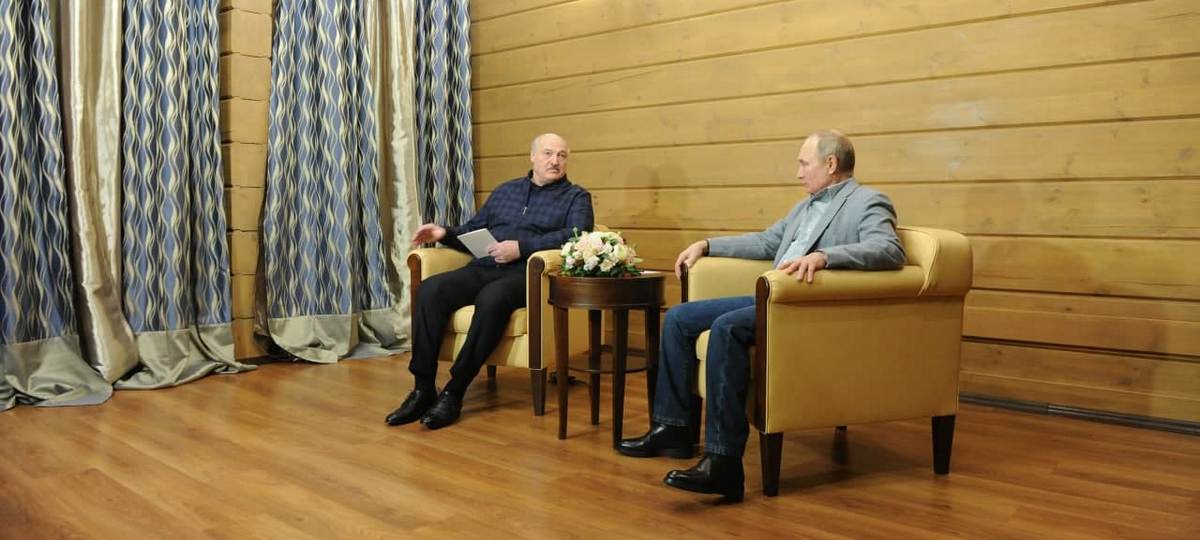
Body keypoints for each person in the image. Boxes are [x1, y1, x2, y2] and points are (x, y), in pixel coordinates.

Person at [616, 130, 905, 501]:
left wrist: (825, 257)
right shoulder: (805, 206)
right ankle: (673, 429)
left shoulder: (867, 201)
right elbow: (767, 242)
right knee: (679, 319)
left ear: (831, 164)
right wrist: (707, 245)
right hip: (770, 296)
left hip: (801, 305)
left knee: (726, 327)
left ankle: (723, 463)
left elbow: (888, 249)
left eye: (804, 163)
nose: (798, 172)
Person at [385, 133, 594, 430]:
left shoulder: (576, 197)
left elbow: (577, 235)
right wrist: (444, 233)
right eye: (548, 153)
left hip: (527, 273)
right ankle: (423, 388)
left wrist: (521, 247)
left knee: (492, 297)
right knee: (431, 289)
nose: (555, 161)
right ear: (532, 156)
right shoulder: (506, 191)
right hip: (485, 266)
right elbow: (473, 230)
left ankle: (455, 391)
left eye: (561, 155)